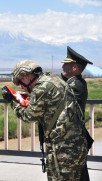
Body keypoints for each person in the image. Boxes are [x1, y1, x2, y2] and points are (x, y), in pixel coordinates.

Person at [3, 60, 88, 180]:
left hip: (63, 148)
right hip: (75, 144)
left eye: (21, 82)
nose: (22, 87)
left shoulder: (41, 88)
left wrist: (13, 102)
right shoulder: (52, 78)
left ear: (27, 76)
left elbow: (29, 116)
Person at [61, 46, 94, 181]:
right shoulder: (72, 82)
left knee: (77, 174)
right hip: (72, 137)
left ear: (74, 68)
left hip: (73, 138)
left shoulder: (76, 85)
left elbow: (61, 106)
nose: (63, 66)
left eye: (66, 64)